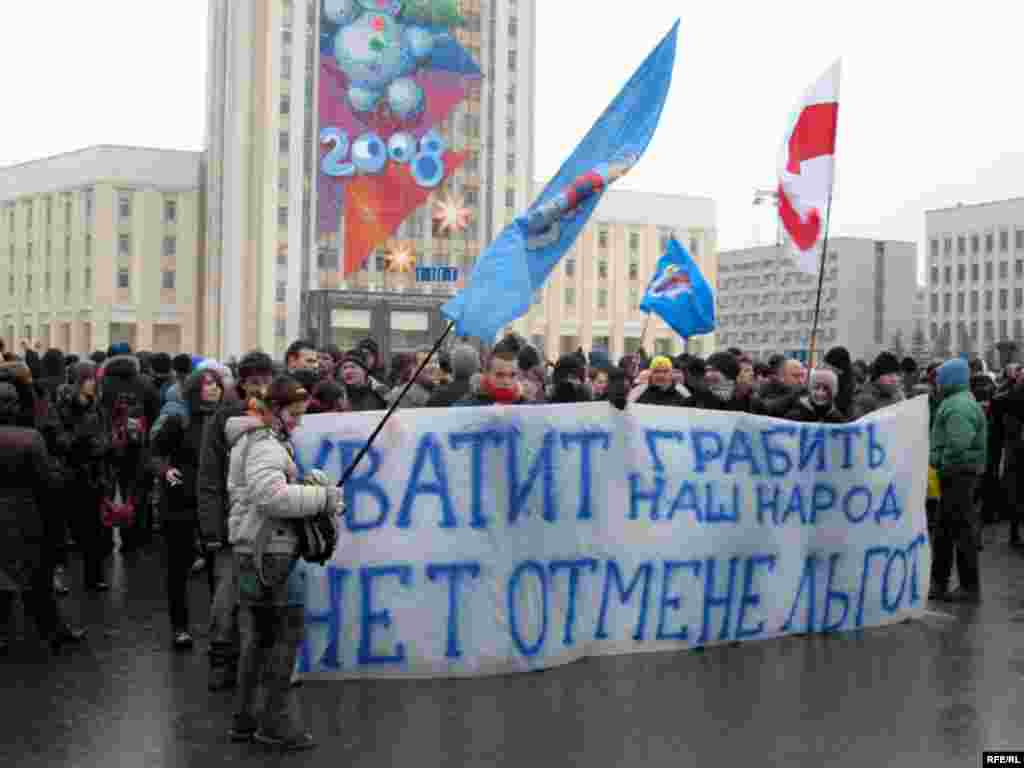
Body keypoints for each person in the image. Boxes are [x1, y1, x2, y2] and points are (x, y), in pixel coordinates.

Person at [226, 376, 341, 750]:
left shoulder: (262, 441)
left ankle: (245, 719)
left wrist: (309, 485)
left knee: (258, 639)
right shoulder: (264, 445)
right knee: (284, 637)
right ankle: (274, 723)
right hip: (270, 553)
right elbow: (270, 497)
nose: (297, 422)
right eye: (293, 415)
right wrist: (321, 498)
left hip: (253, 552)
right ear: (274, 411)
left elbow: (268, 489)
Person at [198, 350, 275, 692]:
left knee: (266, 594)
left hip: (271, 520)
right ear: (242, 384)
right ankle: (221, 659)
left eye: (265, 380)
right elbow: (209, 478)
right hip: (233, 522)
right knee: (226, 597)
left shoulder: (279, 413)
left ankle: (258, 661)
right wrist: (212, 529)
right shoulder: (223, 419)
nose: (260, 387)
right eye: (253, 381)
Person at [0, 380, 87, 655]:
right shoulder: (30, 438)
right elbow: (47, 482)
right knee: (36, 577)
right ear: (14, 407)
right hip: (25, 513)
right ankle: (52, 631)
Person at [151, 368, 226, 649]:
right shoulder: (179, 420)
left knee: (217, 568)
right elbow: (155, 453)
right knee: (178, 567)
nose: (213, 388)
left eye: (217, 384)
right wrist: (165, 470)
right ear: (195, 389)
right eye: (207, 384)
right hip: (180, 500)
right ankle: (179, 627)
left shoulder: (227, 420)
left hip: (214, 503)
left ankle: (220, 629)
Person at [929, 358, 988, 603]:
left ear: (950, 379)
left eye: (940, 378)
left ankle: (968, 586)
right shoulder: (958, 401)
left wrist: (939, 459)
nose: (937, 382)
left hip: (958, 473)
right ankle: (939, 582)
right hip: (958, 473)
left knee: (960, 530)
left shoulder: (957, 406)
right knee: (945, 530)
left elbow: (957, 445)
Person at [52, 362, 113, 591]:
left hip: (93, 474)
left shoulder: (96, 406)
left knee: (93, 529)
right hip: (69, 474)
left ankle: (94, 576)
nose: (93, 383)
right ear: (78, 380)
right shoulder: (63, 406)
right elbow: (57, 441)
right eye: (88, 378)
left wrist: (104, 445)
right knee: (61, 529)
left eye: (94, 378)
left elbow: (105, 434)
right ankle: (57, 575)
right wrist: (81, 437)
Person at [455, 339, 531, 406]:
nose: (506, 382)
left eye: (513, 375)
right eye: (499, 375)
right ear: (487, 374)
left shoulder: (527, 407)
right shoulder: (467, 406)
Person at [851, 352, 905, 419]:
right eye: (889, 375)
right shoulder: (864, 399)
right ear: (877, 377)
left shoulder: (897, 395)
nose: (894, 380)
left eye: (896, 375)